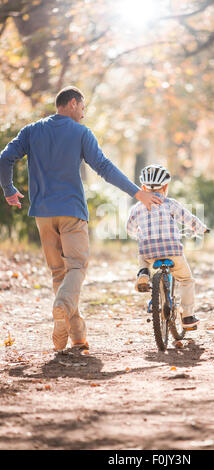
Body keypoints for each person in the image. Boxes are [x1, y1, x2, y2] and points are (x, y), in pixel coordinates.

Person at [0, 86, 162, 351]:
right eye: (83, 109)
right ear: (73, 103)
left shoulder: (31, 131)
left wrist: (8, 190)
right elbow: (104, 167)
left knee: (58, 273)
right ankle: (62, 307)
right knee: (76, 267)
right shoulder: (81, 133)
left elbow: (5, 158)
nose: (84, 115)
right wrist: (138, 193)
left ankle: (75, 334)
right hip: (72, 212)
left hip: (42, 214)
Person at [126, 164, 208, 329]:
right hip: (172, 251)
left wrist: (138, 235)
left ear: (143, 187)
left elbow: (129, 229)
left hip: (150, 252)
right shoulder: (171, 204)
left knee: (142, 251)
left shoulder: (136, 208)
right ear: (165, 187)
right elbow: (189, 219)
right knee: (186, 280)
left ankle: (143, 272)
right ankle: (188, 316)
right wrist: (202, 229)